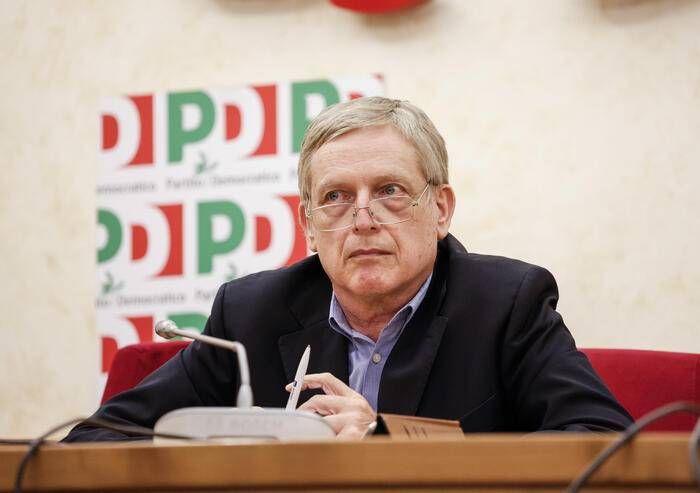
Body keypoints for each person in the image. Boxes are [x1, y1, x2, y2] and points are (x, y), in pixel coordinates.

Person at [64, 97, 632, 441]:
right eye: (336, 197)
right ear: (309, 225)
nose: (363, 220)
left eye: (389, 191)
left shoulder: (506, 304)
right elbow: (99, 440)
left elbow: (603, 442)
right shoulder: (250, 314)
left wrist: (384, 439)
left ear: (440, 210)